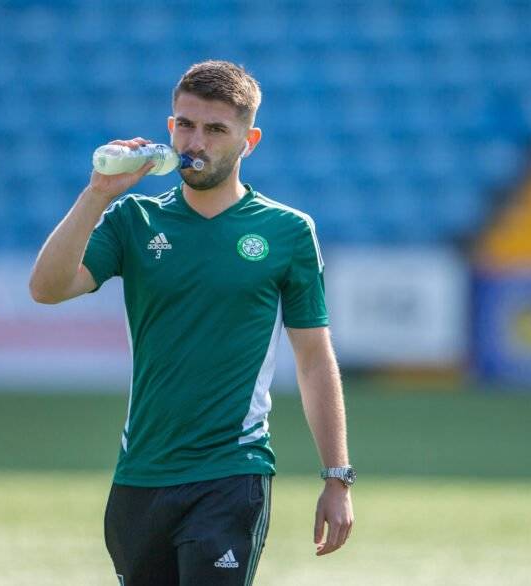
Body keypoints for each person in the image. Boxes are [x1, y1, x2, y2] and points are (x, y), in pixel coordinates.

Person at [29, 60, 354, 586]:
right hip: (141, 476)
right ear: (169, 128)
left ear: (249, 140)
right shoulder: (133, 220)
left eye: (215, 129)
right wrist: (97, 194)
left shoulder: (287, 231)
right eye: (185, 125)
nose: (195, 142)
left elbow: (314, 358)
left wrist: (336, 477)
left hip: (232, 473)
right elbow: (46, 289)